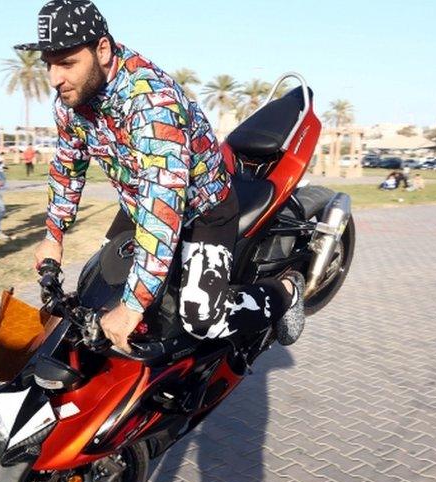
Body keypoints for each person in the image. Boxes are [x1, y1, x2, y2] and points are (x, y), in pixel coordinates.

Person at [19, 0, 305, 353]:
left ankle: (285, 292)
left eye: (66, 63)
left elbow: (163, 213)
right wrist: (54, 235)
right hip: (140, 203)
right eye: (48, 64)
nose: (54, 79)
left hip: (201, 210)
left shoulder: (154, 105)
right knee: (96, 289)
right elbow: (68, 164)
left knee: (201, 319)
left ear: (103, 49)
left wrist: (133, 306)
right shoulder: (73, 100)